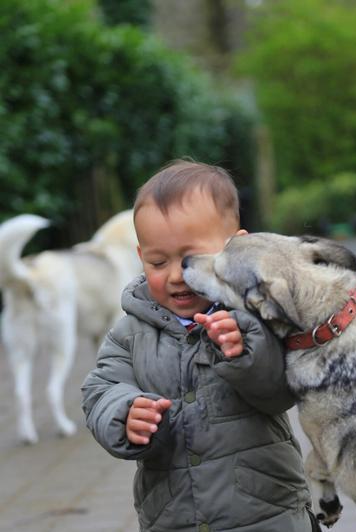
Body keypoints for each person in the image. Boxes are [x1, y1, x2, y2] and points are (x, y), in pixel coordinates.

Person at [81, 160, 317, 532]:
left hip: (266, 515)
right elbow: (99, 389)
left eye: (192, 260)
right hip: (173, 519)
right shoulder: (130, 332)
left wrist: (246, 351)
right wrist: (123, 412)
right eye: (158, 262)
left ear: (237, 246)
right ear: (141, 257)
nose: (177, 276)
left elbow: (280, 393)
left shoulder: (257, 316)